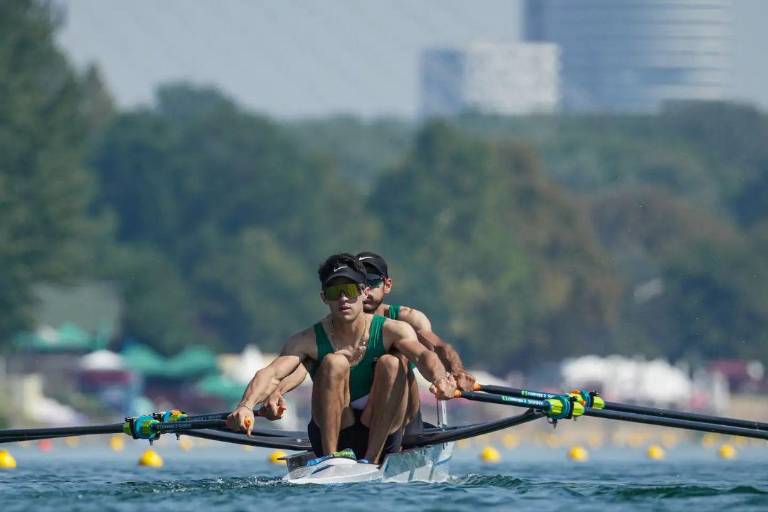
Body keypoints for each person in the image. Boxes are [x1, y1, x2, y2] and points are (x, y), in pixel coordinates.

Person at [227, 253, 456, 465]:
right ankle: (330, 457)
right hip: (336, 432)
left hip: (383, 433)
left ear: (363, 292)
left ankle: (371, 459)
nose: (343, 298)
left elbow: (424, 355)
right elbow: (270, 373)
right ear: (324, 297)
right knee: (333, 362)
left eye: (349, 289)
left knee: (392, 363)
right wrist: (246, 406)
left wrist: (440, 380)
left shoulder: (393, 330)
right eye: (335, 292)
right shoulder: (306, 340)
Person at [261, 251, 475, 439]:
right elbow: (300, 365)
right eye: (358, 283)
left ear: (387, 285)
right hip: (349, 417)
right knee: (327, 363)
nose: (366, 291)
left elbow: (437, 349)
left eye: (373, 282)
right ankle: (336, 444)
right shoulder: (331, 326)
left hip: (400, 416)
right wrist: (277, 393)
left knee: (395, 359)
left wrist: (455, 373)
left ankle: (396, 438)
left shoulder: (407, 320)